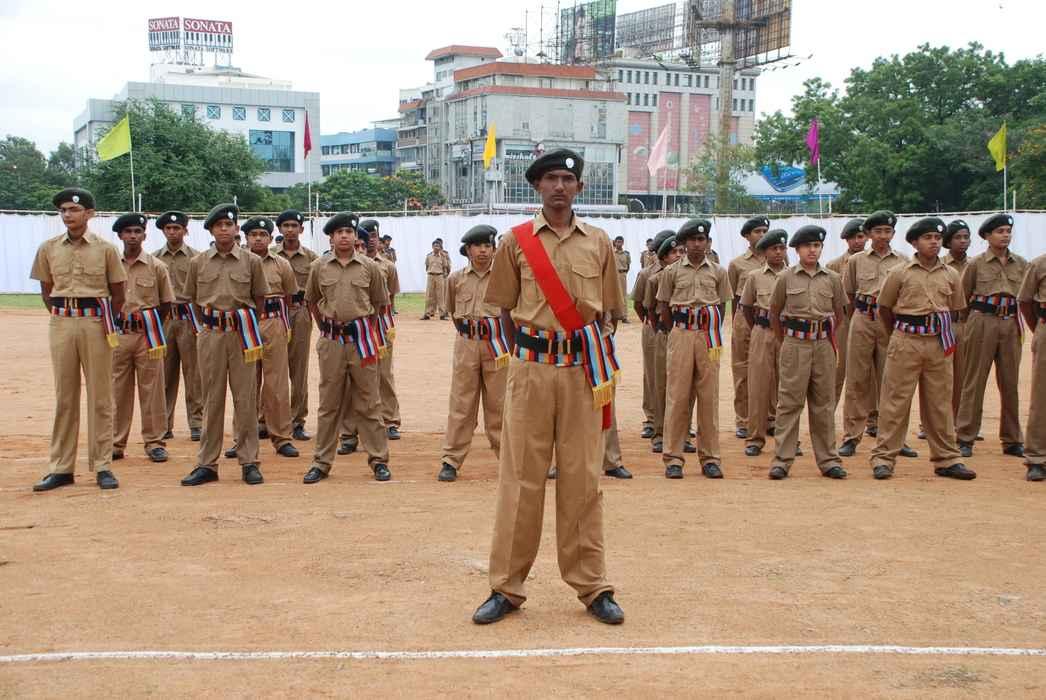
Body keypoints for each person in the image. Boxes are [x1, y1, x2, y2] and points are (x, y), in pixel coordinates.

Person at [472, 148, 625, 626]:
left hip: (582, 374)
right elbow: (502, 308)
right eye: (551, 178)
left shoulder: (598, 242)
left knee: (583, 479)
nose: (560, 186)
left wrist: (586, 354)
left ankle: (592, 585)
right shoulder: (515, 242)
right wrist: (527, 354)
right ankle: (506, 587)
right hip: (532, 372)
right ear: (537, 186)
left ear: (580, 187)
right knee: (520, 480)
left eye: (568, 179)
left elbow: (609, 312)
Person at [30, 188, 126, 492]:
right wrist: (65, 315)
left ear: (89, 214)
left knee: (101, 396)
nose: (67, 214)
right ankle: (61, 467)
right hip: (61, 322)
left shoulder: (106, 249)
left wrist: (99, 319)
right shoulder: (48, 248)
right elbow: (46, 290)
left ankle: (102, 465)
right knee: (65, 397)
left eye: (73, 209)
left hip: (96, 323)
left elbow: (119, 293)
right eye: (63, 210)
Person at [869, 217, 973, 480]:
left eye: (937, 238)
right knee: (895, 401)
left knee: (940, 403)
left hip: (938, 342)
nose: (934, 242)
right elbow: (884, 309)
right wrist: (900, 334)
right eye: (928, 238)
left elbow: (956, 309)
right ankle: (884, 458)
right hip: (906, 340)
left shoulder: (951, 274)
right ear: (915, 242)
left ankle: (947, 459)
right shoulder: (900, 273)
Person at [180, 204, 270, 487]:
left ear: (236, 228)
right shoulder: (198, 262)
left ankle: (249, 462)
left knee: (246, 399)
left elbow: (260, 299)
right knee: (211, 399)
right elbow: (193, 300)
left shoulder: (251, 262)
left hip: (242, 334)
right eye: (218, 225)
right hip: (211, 335)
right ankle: (207, 463)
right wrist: (210, 324)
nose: (224, 229)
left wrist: (242, 322)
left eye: (228, 225)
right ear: (210, 230)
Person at [301, 213, 392, 484]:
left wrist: (362, 329)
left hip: (362, 340)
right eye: (339, 232)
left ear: (355, 236)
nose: (344, 236)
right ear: (331, 237)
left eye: (349, 232)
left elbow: (379, 304)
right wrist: (327, 327)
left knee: (369, 402)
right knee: (329, 404)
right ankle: (321, 462)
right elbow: (312, 301)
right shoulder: (319, 266)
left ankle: (379, 460)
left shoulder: (369, 267)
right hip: (331, 341)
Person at [765, 225, 847, 480]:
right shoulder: (785, 278)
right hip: (795, 344)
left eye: (817, 245)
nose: (812, 250)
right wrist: (788, 341)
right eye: (807, 246)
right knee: (789, 403)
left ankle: (828, 460)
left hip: (823, 344)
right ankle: (782, 460)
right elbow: (774, 314)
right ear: (797, 250)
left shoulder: (832, 278)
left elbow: (840, 313)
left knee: (824, 404)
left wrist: (822, 334)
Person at [657, 218, 731, 479]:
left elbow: (721, 306)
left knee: (709, 397)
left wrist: (708, 328)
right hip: (681, 334)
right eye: (692, 240)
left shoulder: (719, 272)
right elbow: (664, 307)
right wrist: (678, 331)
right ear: (684, 243)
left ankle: (710, 458)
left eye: (702, 239)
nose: (697, 244)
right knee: (677, 396)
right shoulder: (671, 272)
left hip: (708, 337)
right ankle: (673, 458)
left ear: (708, 242)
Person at [839, 211, 917, 459]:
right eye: (878, 231)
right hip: (862, 319)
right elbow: (848, 295)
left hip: (890, 323)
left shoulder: (904, 261)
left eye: (888, 231)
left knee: (893, 381)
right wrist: (860, 316)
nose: (883, 236)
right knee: (857, 380)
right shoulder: (856, 261)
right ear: (869, 234)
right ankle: (851, 437)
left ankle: (894, 438)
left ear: (893, 233)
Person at [438, 225, 508, 482]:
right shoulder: (455, 279)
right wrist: (469, 333)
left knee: (500, 405)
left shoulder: (505, 278)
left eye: (488, 245)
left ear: (494, 249)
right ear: (467, 250)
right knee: (461, 404)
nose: (483, 251)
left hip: (498, 346)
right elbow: (452, 312)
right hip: (467, 343)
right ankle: (451, 460)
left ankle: (508, 460)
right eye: (477, 246)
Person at [956, 213, 1028, 458]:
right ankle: (965, 437)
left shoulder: (1021, 264)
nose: (1005, 235)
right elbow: (962, 299)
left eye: (1008, 231)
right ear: (987, 236)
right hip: (982, 321)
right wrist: (972, 324)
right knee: (974, 380)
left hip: (1010, 323)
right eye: (999, 231)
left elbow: (1026, 297)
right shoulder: (976, 264)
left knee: (1010, 383)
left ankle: (1012, 439)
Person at [111, 213, 175, 464]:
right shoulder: (110, 265)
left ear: (145, 235)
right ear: (120, 235)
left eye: (137, 231)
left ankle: (155, 442)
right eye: (128, 232)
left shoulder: (157, 266)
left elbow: (166, 302)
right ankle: (116, 442)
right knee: (118, 390)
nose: (133, 236)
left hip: (147, 336)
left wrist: (150, 325)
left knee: (153, 390)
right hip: (119, 335)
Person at [340, 221, 402, 452]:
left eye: (375, 235)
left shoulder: (387, 266)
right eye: (369, 236)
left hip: (379, 326)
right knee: (352, 379)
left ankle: (390, 420)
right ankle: (350, 430)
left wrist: (384, 324)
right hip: (355, 328)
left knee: (384, 374)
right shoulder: (345, 265)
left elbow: (389, 299)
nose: (372, 240)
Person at [242, 216, 299, 458]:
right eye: (253, 234)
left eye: (263, 235)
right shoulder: (238, 263)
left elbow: (289, 296)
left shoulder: (281, 264)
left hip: (273, 322)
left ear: (270, 238)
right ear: (246, 238)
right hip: (245, 324)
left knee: (277, 383)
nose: (258, 238)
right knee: (245, 383)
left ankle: (282, 437)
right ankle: (243, 438)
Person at [739, 228, 788, 457]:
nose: (778, 252)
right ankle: (755, 438)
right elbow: (747, 308)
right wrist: (759, 327)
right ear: (765, 252)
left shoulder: (793, 275)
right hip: (762, 330)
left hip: (787, 334)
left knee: (788, 387)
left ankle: (787, 439)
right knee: (758, 386)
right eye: (773, 248)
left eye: (781, 248)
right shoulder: (755, 276)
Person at [154, 211, 202, 442]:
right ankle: (164, 423)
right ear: (163, 231)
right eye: (168, 228)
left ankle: (197, 422)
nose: (172, 232)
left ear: (185, 230)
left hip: (189, 319)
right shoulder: (154, 259)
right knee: (164, 374)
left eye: (177, 228)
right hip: (164, 320)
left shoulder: (197, 258)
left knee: (194, 374)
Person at [274, 209, 319, 441]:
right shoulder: (269, 256)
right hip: (273, 313)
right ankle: (266, 419)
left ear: (301, 229)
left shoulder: (312, 258)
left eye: (294, 226)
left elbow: (318, 290)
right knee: (271, 367)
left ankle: (297, 420)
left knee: (298, 369)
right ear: (279, 229)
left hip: (300, 312)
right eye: (286, 226)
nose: (290, 230)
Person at [727, 216, 770, 439]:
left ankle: (769, 418)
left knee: (771, 370)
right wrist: (738, 323)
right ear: (747, 236)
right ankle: (743, 420)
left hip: (769, 321)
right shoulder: (737, 264)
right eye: (757, 231)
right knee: (742, 370)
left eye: (765, 231)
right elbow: (734, 298)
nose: (762, 235)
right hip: (744, 319)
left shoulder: (778, 259)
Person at [643, 230, 684, 454]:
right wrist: (660, 327)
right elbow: (646, 307)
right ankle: (659, 432)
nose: (679, 255)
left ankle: (683, 432)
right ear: (664, 256)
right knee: (659, 383)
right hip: (663, 332)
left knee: (683, 385)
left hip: (684, 333)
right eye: (674, 252)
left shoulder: (688, 277)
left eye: (681, 251)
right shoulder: (652, 278)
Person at [631, 230, 674, 440]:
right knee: (652, 374)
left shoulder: (679, 272)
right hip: (653, 327)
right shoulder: (646, 274)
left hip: (675, 328)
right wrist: (651, 324)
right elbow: (638, 304)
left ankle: (673, 420)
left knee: (675, 375)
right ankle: (651, 418)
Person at [826, 218, 870, 415]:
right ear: (846, 240)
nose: (858, 241)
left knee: (869, 370)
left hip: (867, 319)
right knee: (838, 369)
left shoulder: (873, 262)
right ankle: (828, 413)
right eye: (853, 237)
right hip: (843, 321)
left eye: (861, 236)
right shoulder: (834, 265)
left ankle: (872, 417)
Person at [1019, 251, 1046, 481]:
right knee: (1041, 396)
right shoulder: (1039, 264)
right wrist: (1038, 329)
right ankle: (1037, 458)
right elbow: (1025, 301)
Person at [942, 219, 972, 422]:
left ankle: (959, 420)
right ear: (948, 241)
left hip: (966, 324)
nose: (963, 241)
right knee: (940, 376)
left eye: (966, 237)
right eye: (957, 237)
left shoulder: (975, 265)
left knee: (964, 375)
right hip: (944, 325)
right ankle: (932, 423)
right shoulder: (940, 265)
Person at [422, 239, 450, 320]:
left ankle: (442, 314)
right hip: (430, 276)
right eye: (434, 246)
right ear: (432, 247)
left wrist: (444, 275)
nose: (436, 247)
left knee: (441, 296)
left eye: (438, 246)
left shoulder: (443, 256)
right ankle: (427, 314)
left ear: (440, 247)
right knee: (429, 295)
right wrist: (431, 272)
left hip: (439, 276)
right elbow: (427, 266)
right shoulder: (429, 256)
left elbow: (445, 267)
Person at [613, 235, 631, 311]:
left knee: (623, 294)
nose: (618, 244)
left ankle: (624, 314)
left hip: (622, 274)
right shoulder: (612, 253)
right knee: (613, 294)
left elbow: (628, 266)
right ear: (615, 243)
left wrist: (623, 273)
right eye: (617, 242)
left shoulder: (626, 254)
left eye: (620, 242)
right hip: (613, 275)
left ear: (623, 243)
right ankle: (615, 314)